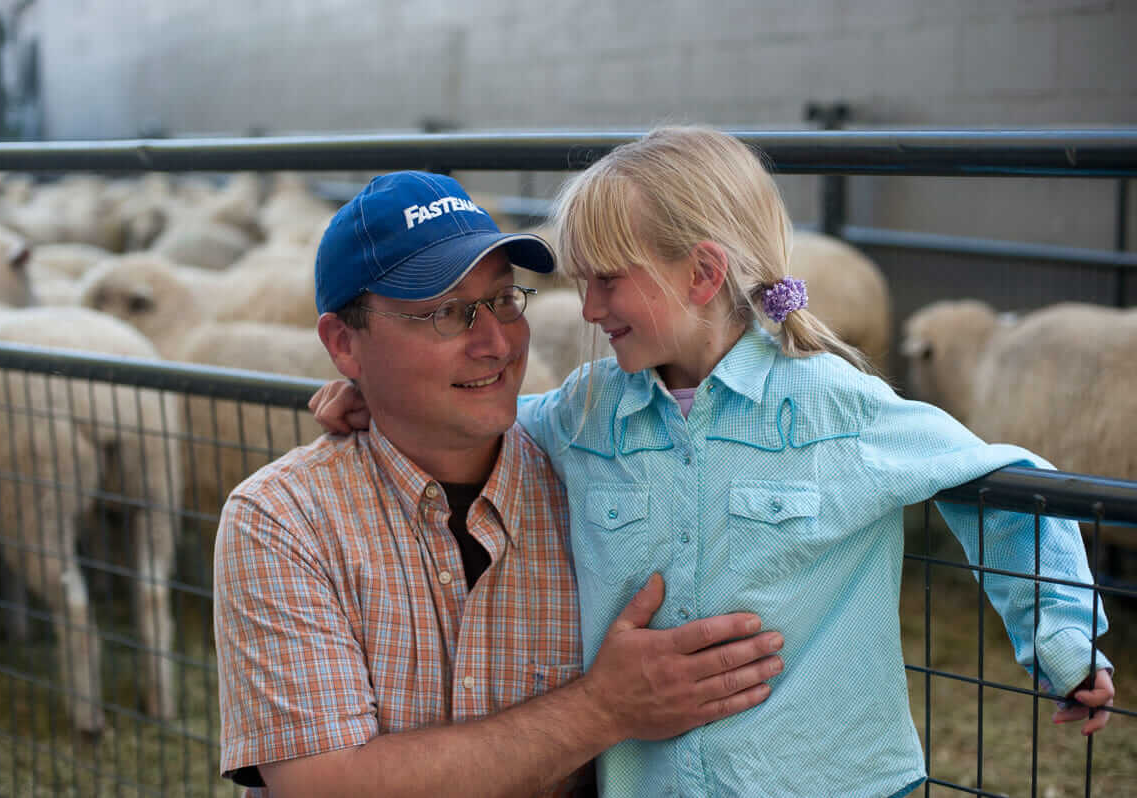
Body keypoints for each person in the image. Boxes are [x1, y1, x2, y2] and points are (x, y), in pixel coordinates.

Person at [311, 128, 1116, 797]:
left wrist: (1062, 645)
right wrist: (384, 402)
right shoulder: (590, 409)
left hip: (829, 782)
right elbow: (493, 422)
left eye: (606, 282)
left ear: (701, 274)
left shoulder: (838, 406)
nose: (586, 309)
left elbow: (1007, 482)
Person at [212, 169, 787, 797]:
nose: (496, 344)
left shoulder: (596, 482)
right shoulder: (283, 520)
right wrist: (603, 710)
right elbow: (325, 785)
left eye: (506, 301)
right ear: (345, 345)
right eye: (448, 314)